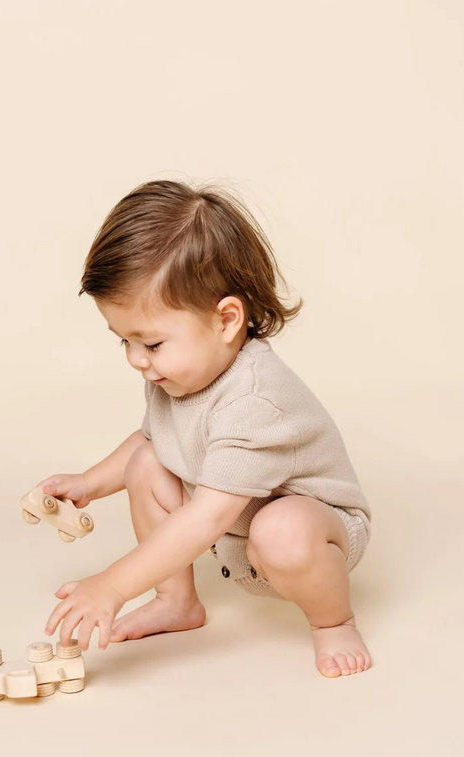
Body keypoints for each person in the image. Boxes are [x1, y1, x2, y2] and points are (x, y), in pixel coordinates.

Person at [39, 179, 372, 678]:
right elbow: (153, 438)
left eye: (150, 344)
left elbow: (207, 518)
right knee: (147, 463)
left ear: (226, 320)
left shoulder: (254, 399)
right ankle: (176, 602)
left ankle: (333, 621)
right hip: (236, 532)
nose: (136, 359)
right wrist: (90, 483)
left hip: (313, 534)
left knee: (279, 529)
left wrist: (113, 584)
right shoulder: (180, 371)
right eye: (123, 341)